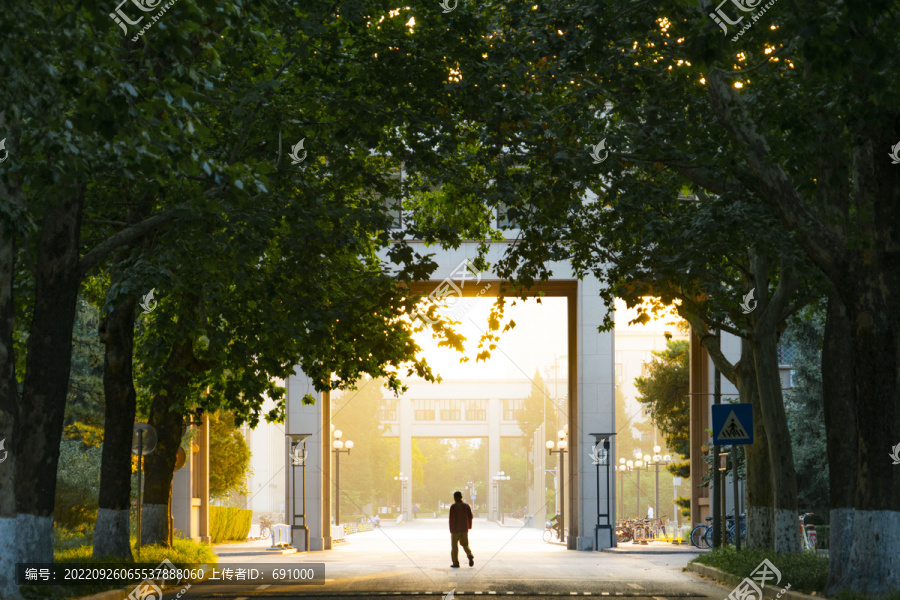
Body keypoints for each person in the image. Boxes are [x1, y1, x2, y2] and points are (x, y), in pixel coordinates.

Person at [448, 490, 474, 568]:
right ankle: (469, 554)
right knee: (465, 544)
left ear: (454, 498)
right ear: (461, 497)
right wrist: (469, 526)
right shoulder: (466, 506)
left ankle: (456, 563)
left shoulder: (453, 506)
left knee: (454, 547)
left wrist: (451, 529)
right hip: (464, 529)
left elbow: (451, 519)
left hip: (455, 529)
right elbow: (470, 517)